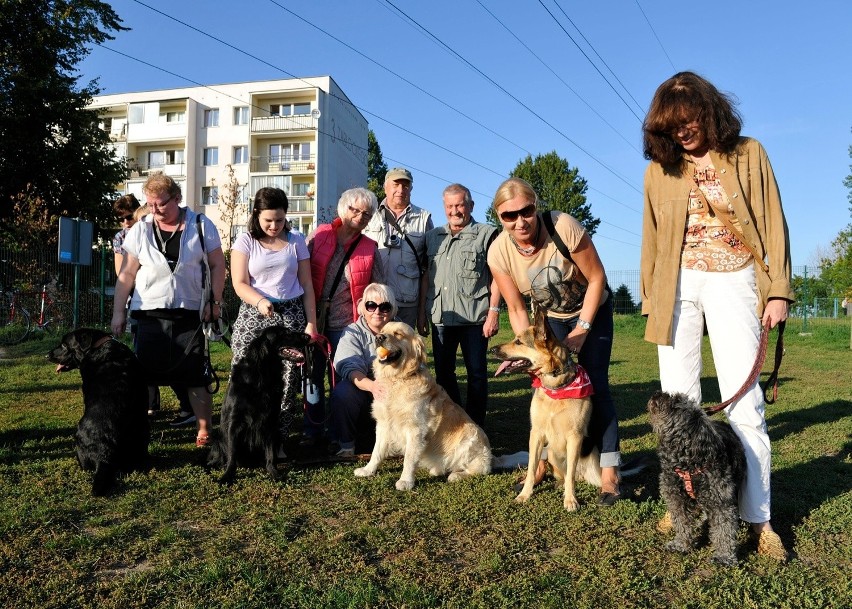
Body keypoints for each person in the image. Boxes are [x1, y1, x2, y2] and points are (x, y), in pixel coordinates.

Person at [641, 71, 793, 561]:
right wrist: (650, 298)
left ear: (709, 111)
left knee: (744, 405)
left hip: (737, 280)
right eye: (672, 125)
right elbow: (651, 237)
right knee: (676, 407)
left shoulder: (748, 153)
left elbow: (773, 221)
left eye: (689, 120)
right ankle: (683, 505)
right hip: (676, 289)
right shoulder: (657, 170)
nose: (683, 131)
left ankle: (758, 518)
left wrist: (778, 291)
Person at [487, 177, 622, 506]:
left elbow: (597, 277)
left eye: (526, 211)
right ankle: (541, 466)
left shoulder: (564, 227)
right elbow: (517, 308)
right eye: (509, 215)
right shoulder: (499, 252)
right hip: (551, 322)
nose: (520, 221)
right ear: (500, 218)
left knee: (596, 387)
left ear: (536, 206)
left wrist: (583, 329)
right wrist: (529, 353)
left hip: (592, 310)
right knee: (544, 388)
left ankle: (610, 475)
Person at [111, 173, 225, 447]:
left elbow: (218, 265)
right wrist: (118, 311)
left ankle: (204, 429)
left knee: (196, 374)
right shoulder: (140, 229)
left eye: (160, 204)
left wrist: (214, 300)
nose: (154, 210)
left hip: (189, 313)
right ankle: (139, 430)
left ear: (177, 198)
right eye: (150, 204)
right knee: (143, 377)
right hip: (149, 312)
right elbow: (127, 273)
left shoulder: (201, 224)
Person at [230, 187, 318, 450]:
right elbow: (239, 282)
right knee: (244, 376)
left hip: (290, 314)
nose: (274, 225)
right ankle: (241, 440)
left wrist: (311, 323)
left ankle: (276, 442)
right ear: (256, 214)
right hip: (253, 313)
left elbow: (307, 284)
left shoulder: (296, 241)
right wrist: (259, 301)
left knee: (288, 379)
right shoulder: (245, 241)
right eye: (268, 220)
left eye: (279, 220)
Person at [303, 187, 385, 444]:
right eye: (355, 209)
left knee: (343, 379)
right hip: (314, 319)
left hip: (348, 324)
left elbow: (378, 288)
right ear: (343, 208)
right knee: (312, 378)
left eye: (366, 213)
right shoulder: (319, 235)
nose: (360, 216)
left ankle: (341, 434)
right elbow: (303, 274)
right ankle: (312, 432)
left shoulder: (370, 248)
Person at [418, 183, 500, 427]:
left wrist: (494, 312)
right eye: (450, 206)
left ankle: (475, 426)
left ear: (471, 206)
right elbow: (426, 276)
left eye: (460, 205)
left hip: (475, 319)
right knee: (444, 374)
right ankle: (453, 424)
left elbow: (498, 277)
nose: (455, 211)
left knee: (476, 374)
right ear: (444, 207)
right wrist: (423, 313)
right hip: (441, 317)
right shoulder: (432, 238)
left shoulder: (487, 234)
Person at [112, 194, 192, 420]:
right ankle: (149, 405)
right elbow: (124, 273)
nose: (127, 223)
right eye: (122, 219)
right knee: (143, 357)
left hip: (169, 303)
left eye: (130, 218)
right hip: (141, 303)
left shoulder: (159, 230)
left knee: (173, 356)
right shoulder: (122, 238)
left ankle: (187, 404)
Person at [327, 282, 396, 457]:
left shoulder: (401, 331)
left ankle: (400, 443)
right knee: (343, 393)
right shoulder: (352, 332)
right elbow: (349, 368)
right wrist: (373, 387)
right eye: (371, 305)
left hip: (396, 391)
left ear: (392, 310)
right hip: (364, 390)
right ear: (362, 308)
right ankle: (346, 444)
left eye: (384, 307)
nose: (377, 312)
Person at [362, 168, 433, 329]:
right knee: (375, 350)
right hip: (374, 303)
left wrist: (422, 312)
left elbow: (428, 268)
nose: (401, 190)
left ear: (411, 189)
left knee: (403, 349)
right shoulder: (368, 214)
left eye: (406, 186)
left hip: (407, 302)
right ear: (385, 186)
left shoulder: (423, 218)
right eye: (396, 184)